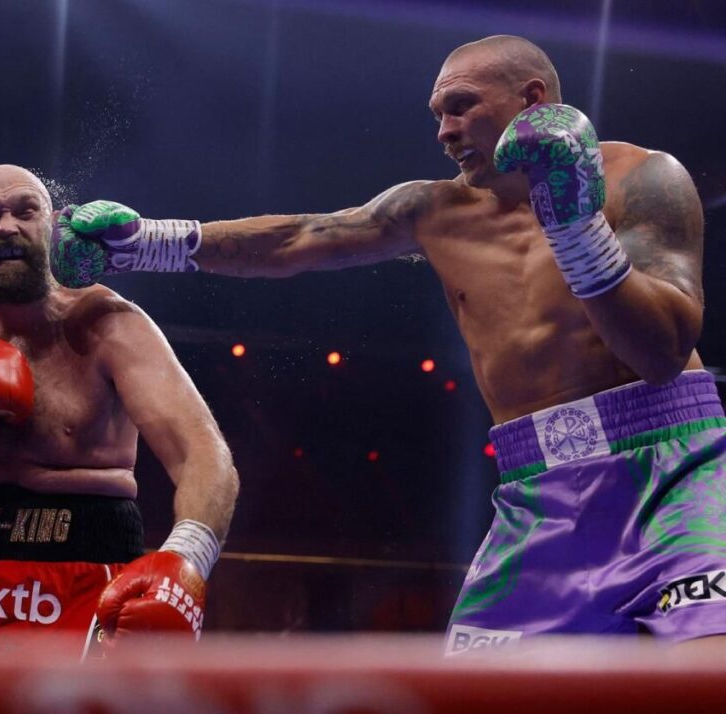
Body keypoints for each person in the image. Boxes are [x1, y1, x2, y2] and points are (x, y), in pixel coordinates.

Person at [51, 35, 726, 652]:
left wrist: (574, 223)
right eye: (437, 114)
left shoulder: (642, 178)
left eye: (461, 106)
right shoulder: (433, 210)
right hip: (540, 491)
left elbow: (662, 353)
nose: (444, 131)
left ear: (532, 100)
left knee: (708, 672)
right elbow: (299, 238)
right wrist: (147, 243)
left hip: (674, 470)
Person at [0, 164, 239, 660]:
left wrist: (186, 559)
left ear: (53, 226)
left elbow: (204, 454)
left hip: (84, 575)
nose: (6, 226)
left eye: (25, 211)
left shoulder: (109, 324)